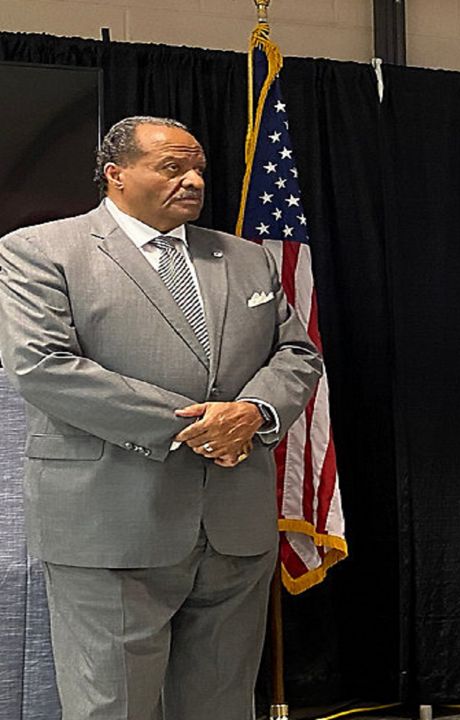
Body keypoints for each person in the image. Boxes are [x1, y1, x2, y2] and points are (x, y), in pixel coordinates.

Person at [0, 116, 323, 720]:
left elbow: (296, 353)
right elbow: (41, 366)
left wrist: (254, 412)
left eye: (198, 168)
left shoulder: (249, 260)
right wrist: (197, 428)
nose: (193, 180)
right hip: (111, 524)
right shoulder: (41, 251)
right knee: (112, 708)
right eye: (172, 167)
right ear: (115, 175)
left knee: (222, 706)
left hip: (233, 528)